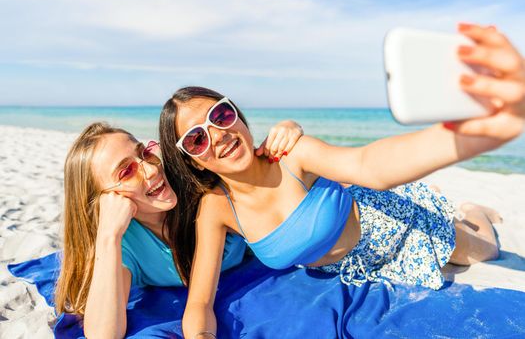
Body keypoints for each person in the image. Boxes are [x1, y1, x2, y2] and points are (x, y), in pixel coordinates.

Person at [157, 23, 525, 338]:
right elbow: (200, 302)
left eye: (220, 115)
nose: (217, 135)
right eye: (196, 138)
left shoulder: (290, 155)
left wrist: (485, 131)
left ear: (236, 114)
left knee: (483, 250)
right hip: (356, 268)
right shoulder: (215, 209)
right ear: (192, 160)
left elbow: (370, 165)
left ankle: (474, 211)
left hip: (395, 225)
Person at [53, 119, 303, 338]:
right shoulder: (123, 244)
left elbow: (255, 174)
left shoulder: (192, 180)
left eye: (145, 153)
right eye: (127, 171)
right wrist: (108, 236)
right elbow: (104, 335)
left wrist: (287, 133)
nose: (151, 169)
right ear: (104, 200)